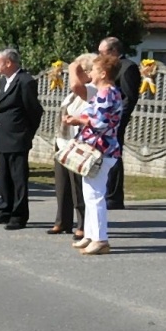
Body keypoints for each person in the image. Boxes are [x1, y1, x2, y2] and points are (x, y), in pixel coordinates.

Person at [63, 51, 124, 255]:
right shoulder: (103, 92)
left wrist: (77, 120)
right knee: (89, 193)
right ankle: (90, 234)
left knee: (95, 195)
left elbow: (99, 123)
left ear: (104, 73)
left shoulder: (107, 93)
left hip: (102, 151)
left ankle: (100, 239)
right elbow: (92, 113)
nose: (91, 73)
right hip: (99, 150)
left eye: (95, 69)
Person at [0, 47, 43, 229]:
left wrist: (26, 134)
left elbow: (34, 111)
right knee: (3, 177)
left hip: (17, 138)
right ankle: (5, 210)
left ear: (9, 63)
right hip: (3, 137)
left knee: (18, 179)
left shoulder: (25, 81)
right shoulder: (5, 81)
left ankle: (19, 215)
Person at [49, 54, 95, 238]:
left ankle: (82, 224)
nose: (74, 74)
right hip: (63, 142)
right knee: (62, 185)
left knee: (77, 187)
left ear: (89, 73)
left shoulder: (90, 89)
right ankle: (62, 221)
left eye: (80, 71)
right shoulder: (73, 94)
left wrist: (73, 67)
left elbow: (75, 85)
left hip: (79, 144)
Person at [99, 36, 140, 210]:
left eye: (103, 53)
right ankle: (105, 192)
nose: (100, 56)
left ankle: (114, 197)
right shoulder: (108, 67)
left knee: (114, 157)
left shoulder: (128, 67)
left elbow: (128, 98)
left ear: (114, 51)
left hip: (116, 121)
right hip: (105, 120)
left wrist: (118, 121)